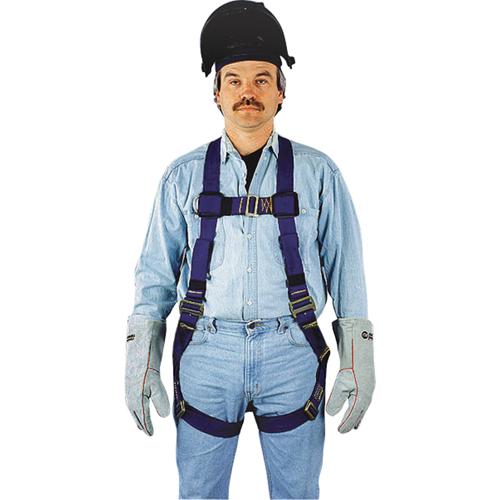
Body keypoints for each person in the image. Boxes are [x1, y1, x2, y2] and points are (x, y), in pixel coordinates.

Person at [125, 1, 376, 498]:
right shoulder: (182, 177)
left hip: (292, 350)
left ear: (281, 92)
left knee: (297, 493)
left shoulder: (319, 174)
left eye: (262, 79)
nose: (248, 92)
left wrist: (358, 356)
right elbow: (154, 273)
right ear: (216, 93)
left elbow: (347, 266)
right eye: (235, 80)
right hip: (207, 351)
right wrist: (141, 355)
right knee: (199, 493)